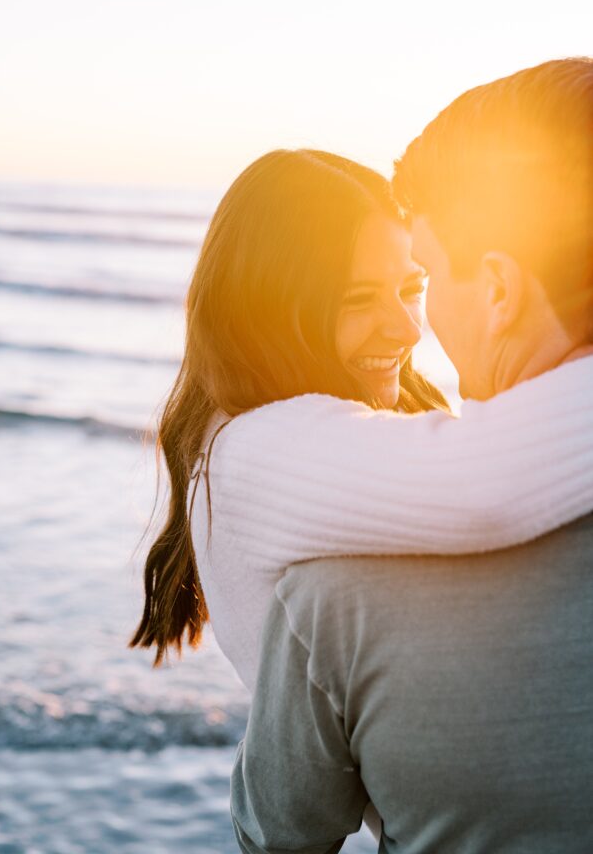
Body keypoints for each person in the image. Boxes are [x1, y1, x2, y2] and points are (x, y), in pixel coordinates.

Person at [229, 58, 593, 852]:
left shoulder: (338, 598)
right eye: (368, 296)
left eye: (423, 278)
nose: (413, 327)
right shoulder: (309, 536)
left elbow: (277, 842)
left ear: (496, 290)